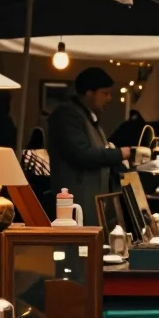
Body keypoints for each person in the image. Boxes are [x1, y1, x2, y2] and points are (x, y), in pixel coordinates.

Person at [47, 68, 134, 211]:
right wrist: (120, 153)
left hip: (91, 200)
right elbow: (81, 154)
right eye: (104, 93)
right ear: (88, 93)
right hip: (75, 203)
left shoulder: (88, 117)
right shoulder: (67, 115)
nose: (109, 99)